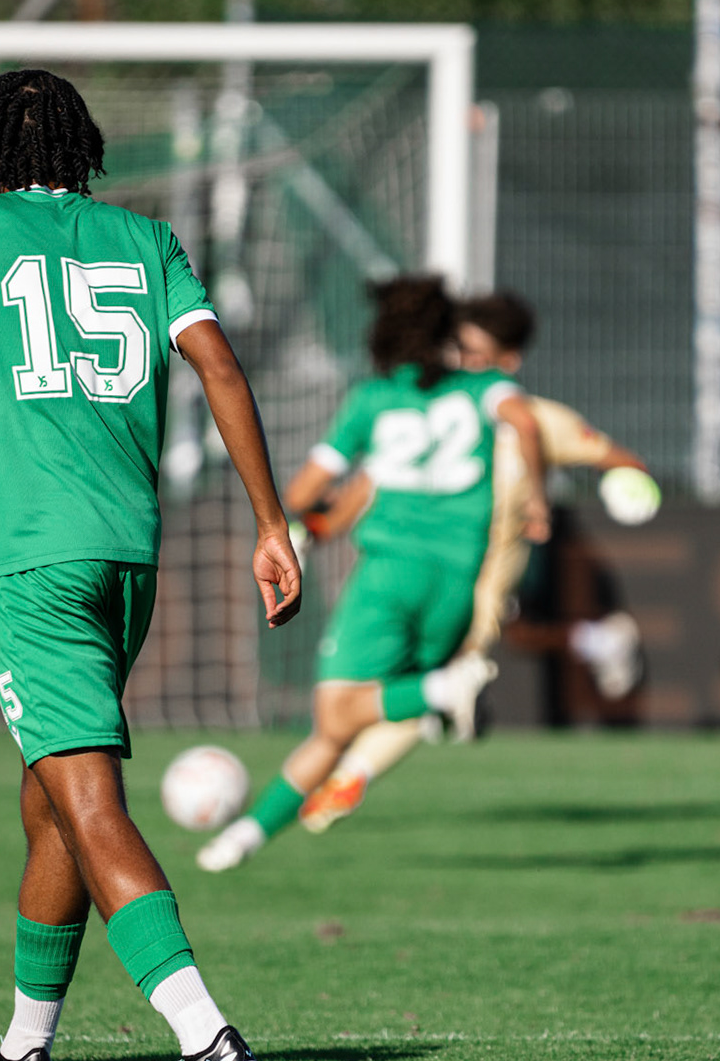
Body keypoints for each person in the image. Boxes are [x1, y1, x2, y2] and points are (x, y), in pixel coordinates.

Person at [0, 69, 300, 1061]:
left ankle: (204, 1033)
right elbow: (222, 369)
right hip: (127, 551)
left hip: (30, 557)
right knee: (49, 798)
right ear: (84, 147)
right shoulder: (149, 239)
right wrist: (271, 523)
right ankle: (24, 1052)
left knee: (86, 800)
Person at [197, 276, 547, 871]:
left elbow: (304, 492)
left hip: (389, 577)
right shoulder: (483, 388)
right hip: (456, 584)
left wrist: (309, 520)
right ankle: (246, 837)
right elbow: (526, 421)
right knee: (342, 729)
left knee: (337, 713)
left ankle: (444, 691)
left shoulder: (373, 401)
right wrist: (535, 495)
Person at [294, 290, 651, 832]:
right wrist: (314, 531)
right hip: (432, 574)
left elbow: (619, 459)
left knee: (431, 680)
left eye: (478, 354)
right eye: (460, 349)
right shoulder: (435, 410)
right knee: (460, 664)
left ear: (509, 360)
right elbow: (367, 486)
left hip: (480, 583)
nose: (464, 361)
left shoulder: (539, 419)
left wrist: (628, 485)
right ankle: (595, 640)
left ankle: (350, 778)